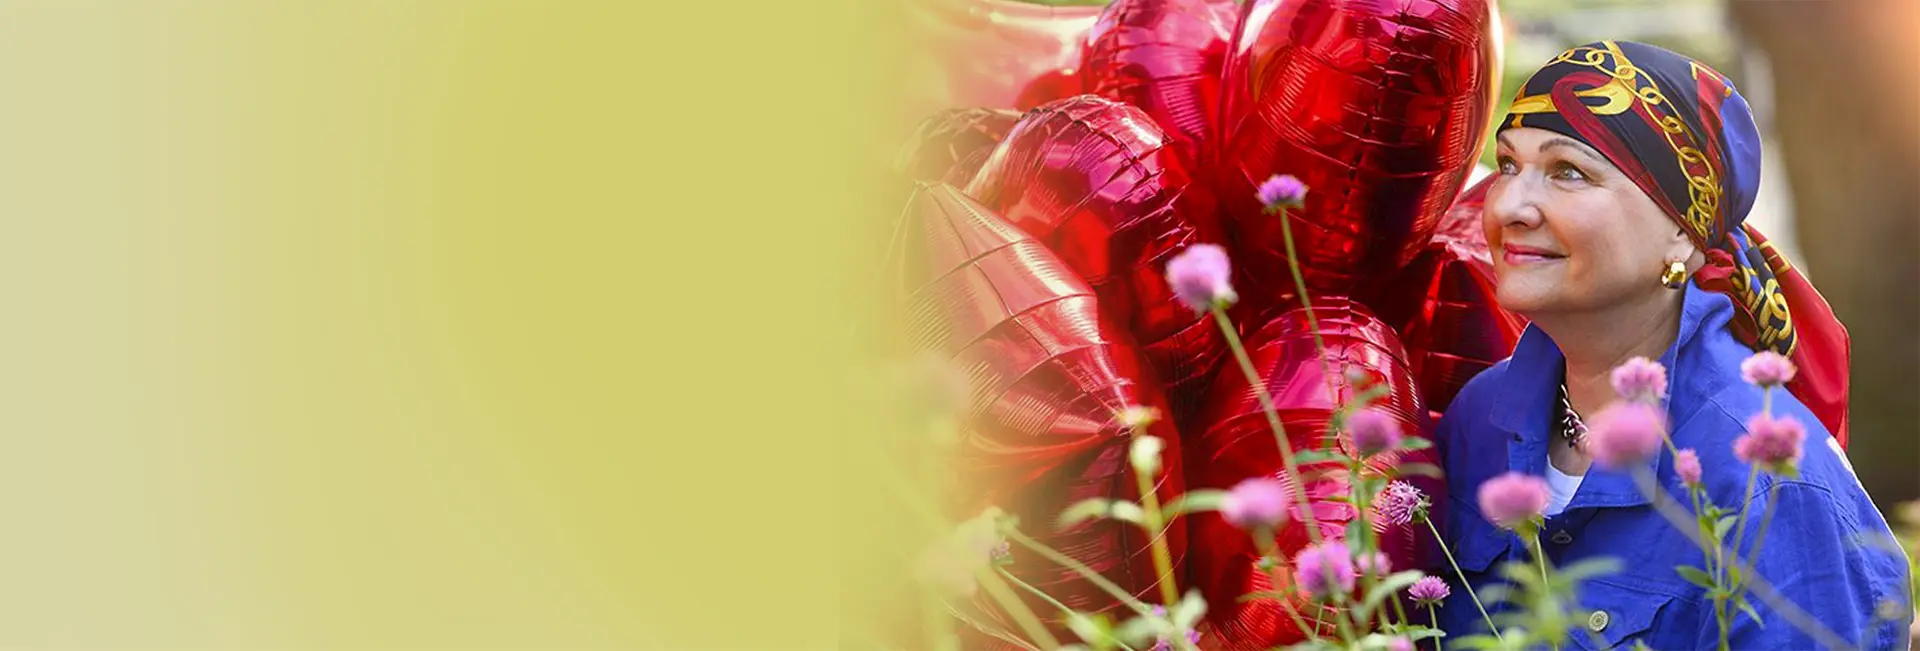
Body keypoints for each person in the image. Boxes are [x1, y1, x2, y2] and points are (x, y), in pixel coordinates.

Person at [1434, 40, 1911, 649]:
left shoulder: (1766, 483)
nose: (1509, 206)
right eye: (1507, 164)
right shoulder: (1478, 419)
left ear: (1681, 237)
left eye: (1568, 172)